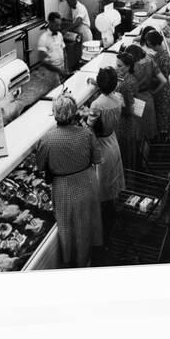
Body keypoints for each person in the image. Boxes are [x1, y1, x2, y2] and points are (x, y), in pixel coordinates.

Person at [36, 93, 103, 268]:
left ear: (55, 114)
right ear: (74, 113)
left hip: (63, 188)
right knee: (86, 222)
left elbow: (40, 166)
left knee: (68, 227)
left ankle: (70, 260)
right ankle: (86, 259)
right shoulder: (86, 133)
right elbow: (97, 159)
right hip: (87, 183)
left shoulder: (47, 139)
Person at [85, 67, 124, 245]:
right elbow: (110, 93)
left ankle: (101, 230)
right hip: (112, 142)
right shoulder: (118, 99)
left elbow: (89, 126)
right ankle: (112, 216)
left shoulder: (96, 105)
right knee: (111, 182)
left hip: (101, 147)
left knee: (100, 188)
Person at [124, 44, 167, 141]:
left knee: (138, 136)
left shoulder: (130, 67)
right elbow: (163, 81)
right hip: (148, 99)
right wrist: (153, 92)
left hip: (135, 102)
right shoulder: (150, 61)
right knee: (149, 132)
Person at [145, 30, 170, 141]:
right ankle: (167, 136)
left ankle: (167, 139)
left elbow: (163, 79)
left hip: (162, 92)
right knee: (165, 115)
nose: (148, 45)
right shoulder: (160, 54)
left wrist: (154, 91)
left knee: (164, 116)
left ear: (155, 44)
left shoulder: (165, 58)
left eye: (149, 43)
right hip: (161, 91)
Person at [115, 52, 140, 170]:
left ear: (129, 66)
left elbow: (129, 110)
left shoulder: (127, 83)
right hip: (128, 122)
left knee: (125, 153)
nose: (116, 68)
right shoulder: (127, 78)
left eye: (120, 66)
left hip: (126, 123)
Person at [37, 12, 68, 87]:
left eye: (60, 25)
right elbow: (43, 62)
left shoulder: (59, 35)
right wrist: (58, 71)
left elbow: (64, 51)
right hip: (50, 73)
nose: (59, 27)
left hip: (61, 68)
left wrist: (66, 68)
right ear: (50, 23)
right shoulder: (43, 39)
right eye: (57, 25)